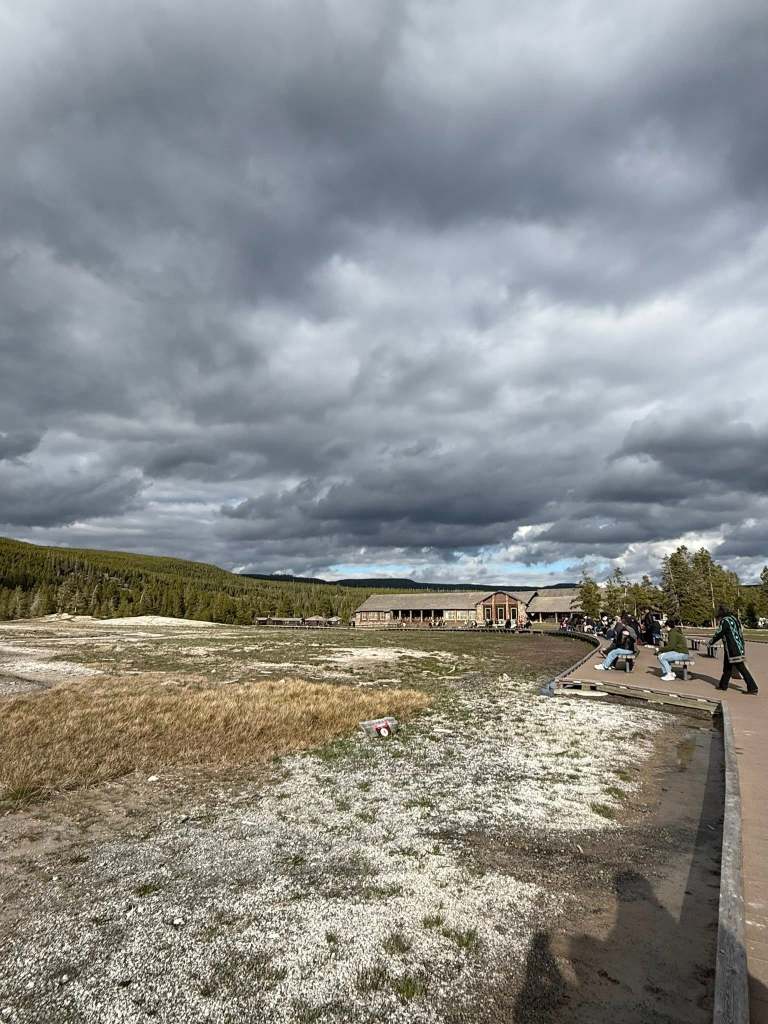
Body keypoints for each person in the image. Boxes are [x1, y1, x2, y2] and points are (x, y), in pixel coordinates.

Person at [708, 607, 759, 694]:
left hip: (732, 649)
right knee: (727, 667)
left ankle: (753, 687)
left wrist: (710, 642)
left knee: (741, 668)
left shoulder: (725, 621)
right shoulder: (735, 619)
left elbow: (719, 633)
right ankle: (723, 685)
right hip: (737, 647)